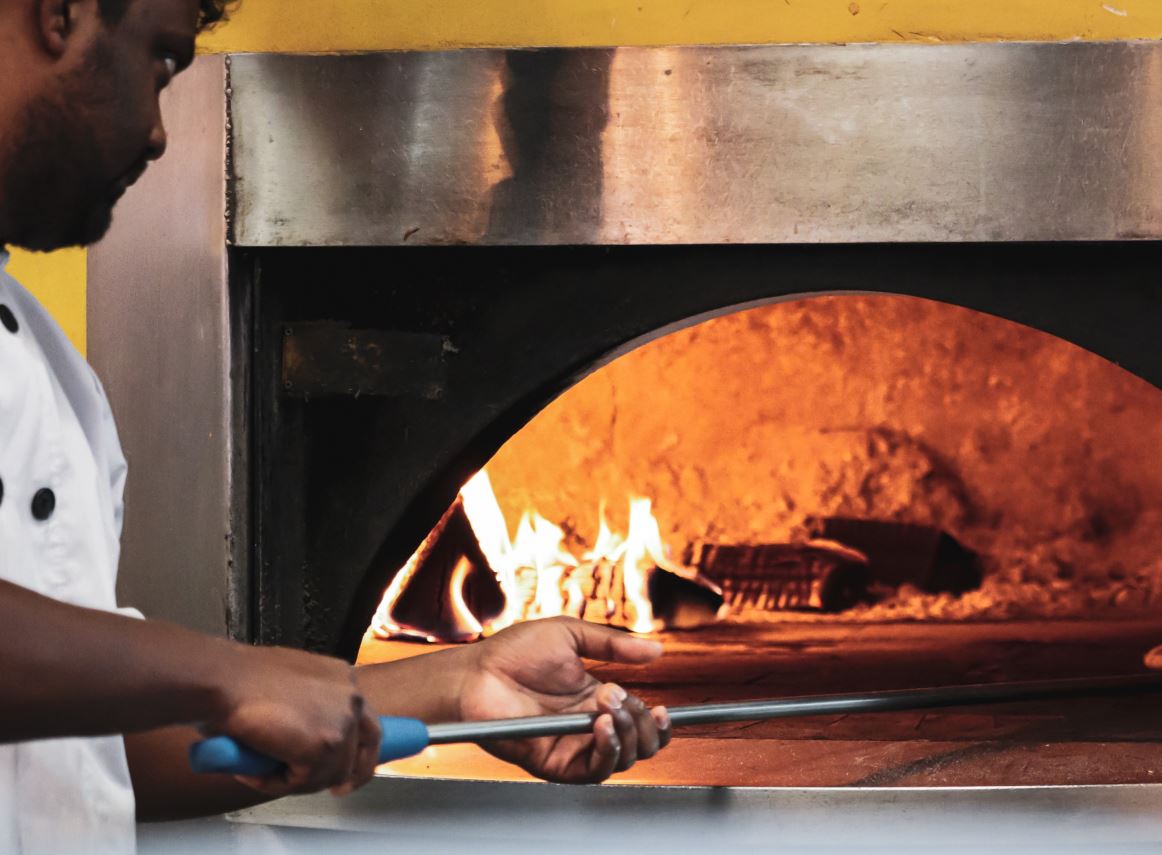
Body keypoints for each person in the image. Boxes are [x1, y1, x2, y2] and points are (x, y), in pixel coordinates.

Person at [0, 0, 671, 851]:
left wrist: (458, 684)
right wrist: (231, 673)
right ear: (61, 13)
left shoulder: (59, 382)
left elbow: (94, 749)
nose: (160, 133)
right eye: (162, 63)